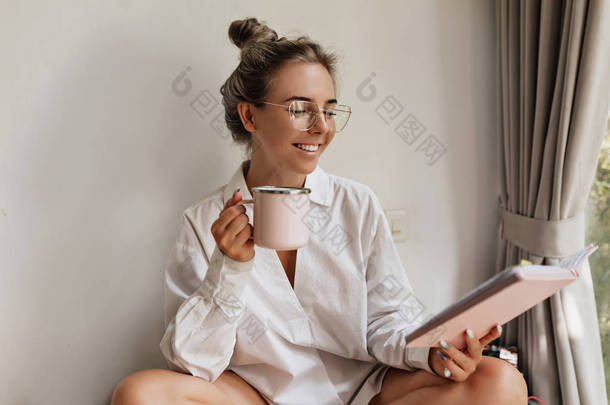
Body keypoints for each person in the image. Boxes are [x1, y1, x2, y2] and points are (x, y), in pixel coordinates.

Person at [110, 17, 528, 405]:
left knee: (499, 381)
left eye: (328, 109)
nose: (321, 126)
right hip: (260, 395)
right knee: (140, 393)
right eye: (299, 108)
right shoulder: (204, 223)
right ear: (249, 115)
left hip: (366, 392)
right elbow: (192, 364)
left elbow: (388, 319)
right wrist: (229, 268)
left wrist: (434, 353)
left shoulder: (356, 204)